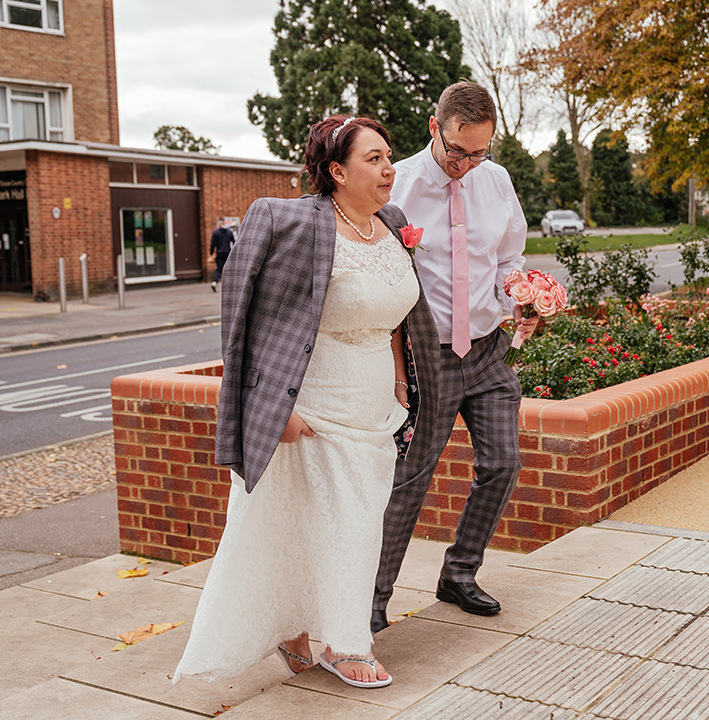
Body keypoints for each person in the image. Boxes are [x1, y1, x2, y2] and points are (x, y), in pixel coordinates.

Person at [173, 114, 440, 688]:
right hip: (311, 402)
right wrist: (271, 406)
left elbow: (395, 318)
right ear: (337, 171)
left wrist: (399, 381)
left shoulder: (392, 223)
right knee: (296, 521)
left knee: (356, 524)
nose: (389, 168)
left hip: (373, 403)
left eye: (389, 156)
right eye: (374, 159)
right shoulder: (287, 220)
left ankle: (300, 626)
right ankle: (343, 643)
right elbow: (244, 320)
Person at [372, 82, 538, 632]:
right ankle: (370, 603)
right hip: (429, 357)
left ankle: (459, 573)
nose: (467, 164)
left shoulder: (497, 180)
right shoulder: (398, 187)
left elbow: (508, 256)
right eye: (457, 151)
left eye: (480, 151)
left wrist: (522, 296)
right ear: (433, 128)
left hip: (489, 351)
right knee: (411, 478)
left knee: (502, 464)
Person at [209, 223, 235, 291]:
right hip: (228, 253)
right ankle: (231, 285)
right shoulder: (229, 233)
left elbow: (212, 244)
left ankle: (215, 282)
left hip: (219, 253)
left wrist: (211, 253)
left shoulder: (216, 233)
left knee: (219, 269)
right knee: (229, 269)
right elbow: (234, 242)